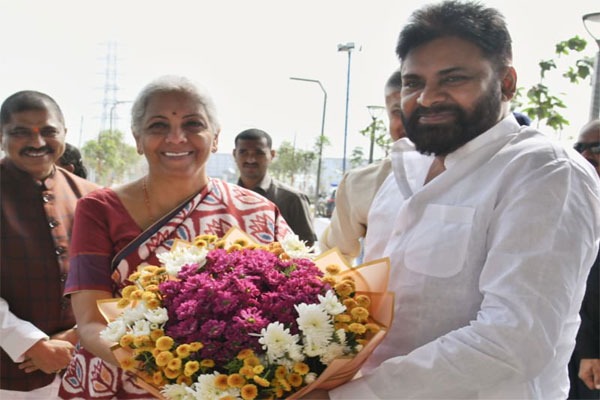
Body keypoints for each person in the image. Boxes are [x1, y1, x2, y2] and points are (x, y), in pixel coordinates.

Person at [327, 2, 600, 398]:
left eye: (453, 79)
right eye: (413, 83)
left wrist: (350, 396)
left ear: (506, 83)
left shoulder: (546, 172)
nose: (427, 98)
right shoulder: (405, 170)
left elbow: (512, 341)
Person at [58, 75, 291, 399]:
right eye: (158, 126)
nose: (177, 137)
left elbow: (293, 306)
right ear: (138, 139)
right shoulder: (99, 210)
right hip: (124, 382)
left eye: (193, 124)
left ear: (215, 138)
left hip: (235, 388)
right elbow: (90, 323)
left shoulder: (258, 211)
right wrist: (174, 375)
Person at [0, 90, 99, 398]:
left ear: (64, 133)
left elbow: (113, 276)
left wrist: (78, 334)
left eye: (48, 131)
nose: (37, 142)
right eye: (21, 132)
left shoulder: (93, 198)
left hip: (83, 364)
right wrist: (30, 343)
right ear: (1, 136)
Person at [318, 68, 432, 263]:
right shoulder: (362, 183)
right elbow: (333, 258)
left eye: (423, 110)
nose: (411, 122)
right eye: (398, 112)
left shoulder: (481, 177)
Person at [233, 128, 317, 246]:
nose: (251, 159)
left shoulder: (292, 199)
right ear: (234, 154)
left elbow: (306, 246)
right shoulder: (224, 198)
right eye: (243, 152)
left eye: (259, 153)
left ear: (272, 155)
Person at [568, 119, 600, 399]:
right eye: (579, 148)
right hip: (574, 350)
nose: (586, 155)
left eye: (597, 148)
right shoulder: (574, 203)